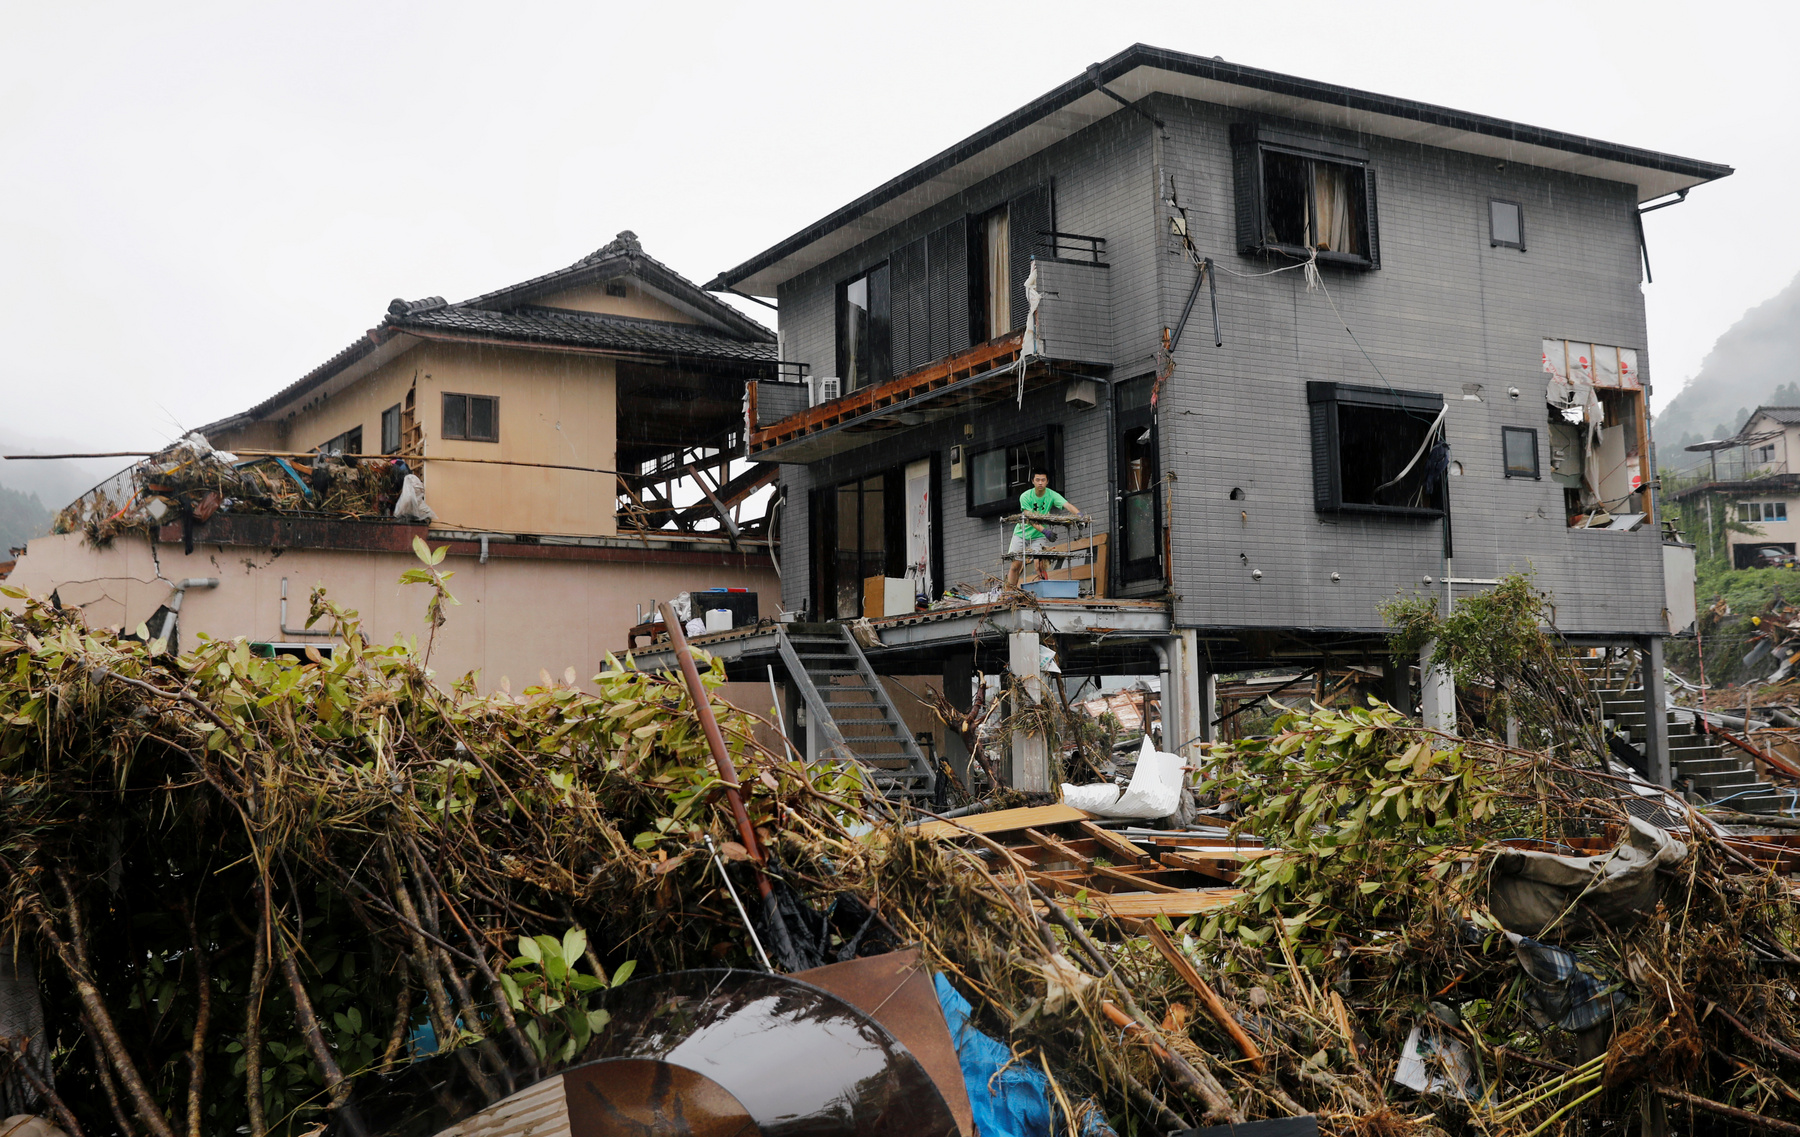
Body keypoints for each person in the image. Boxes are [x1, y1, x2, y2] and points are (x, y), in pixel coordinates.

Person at [1007, 471, 1081, 589]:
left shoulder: (1051, 494)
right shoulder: (1025, 496)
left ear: (1047, 481)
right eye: (1037, 480)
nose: (1040, 483)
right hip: (1021, 533)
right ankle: (1010, 593)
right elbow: (1029, 517)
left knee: (1040, 565)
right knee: (1016, 565)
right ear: (1032, 481)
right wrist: (1045, 531)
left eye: (1043, 480)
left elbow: (1067, 505)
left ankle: (1044, 591)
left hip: (1038, 535)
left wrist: (1080, 515)